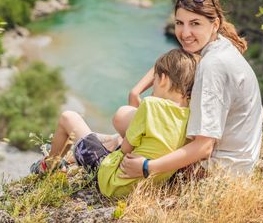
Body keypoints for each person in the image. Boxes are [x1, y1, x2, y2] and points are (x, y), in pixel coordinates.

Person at [114, 0, 263, 179]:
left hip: (218, 171)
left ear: (215, 24)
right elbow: (175, 59)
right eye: (179, 23)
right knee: (137, 122)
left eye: (195, 24)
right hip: (241, 161)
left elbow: (204, 147)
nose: (185, 33)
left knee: (125, 117)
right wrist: (136, 90)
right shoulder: (220, 44)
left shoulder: (212, 67)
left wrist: (147, 167)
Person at [30, 48, 198, 198]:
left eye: (154, 80)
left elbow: (125, 148)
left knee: (68, 117)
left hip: (110, 181)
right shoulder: (191, 117)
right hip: (142, 189)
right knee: (108, 138)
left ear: (163, 79)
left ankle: (50, 165)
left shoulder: (150, 105)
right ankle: (68, 160)